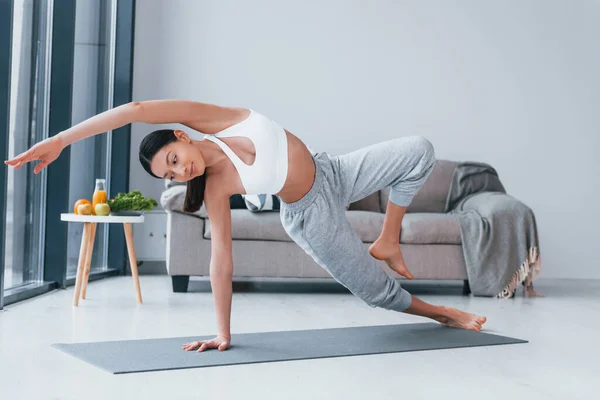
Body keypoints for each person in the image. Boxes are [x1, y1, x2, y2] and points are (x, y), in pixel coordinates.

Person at [5, 100, 487, 352]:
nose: (180, 171)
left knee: (420, 149)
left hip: (333, 171)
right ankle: (442, 314)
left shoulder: (222, 120)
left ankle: (388, 238)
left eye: (174, 159)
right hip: (308, 215)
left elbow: (135, 112)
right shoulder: (214, 186)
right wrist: (223, 332)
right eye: (170, 175)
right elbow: (221, 260)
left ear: (182, 135)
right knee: (374, 292)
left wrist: (62, 139)